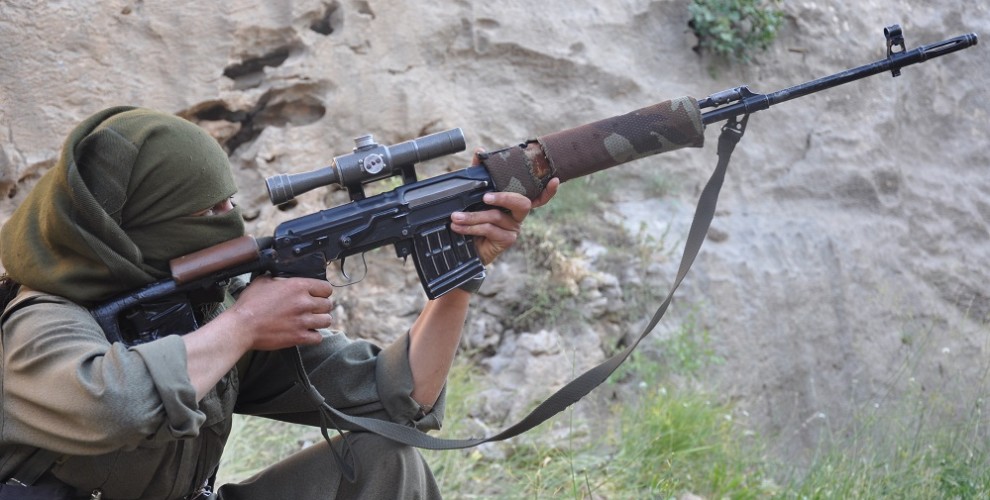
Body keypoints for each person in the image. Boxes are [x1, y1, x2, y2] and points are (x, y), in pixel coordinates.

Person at [0, 106, 559, 499]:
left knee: (384, 460)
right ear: (134, 225)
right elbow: (114, 406)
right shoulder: (40, 320)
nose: (232, 224)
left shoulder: (204, 308)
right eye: (208, 212)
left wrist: (460, 277)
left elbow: (398, 398)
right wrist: (245, 323)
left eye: (229, 203)